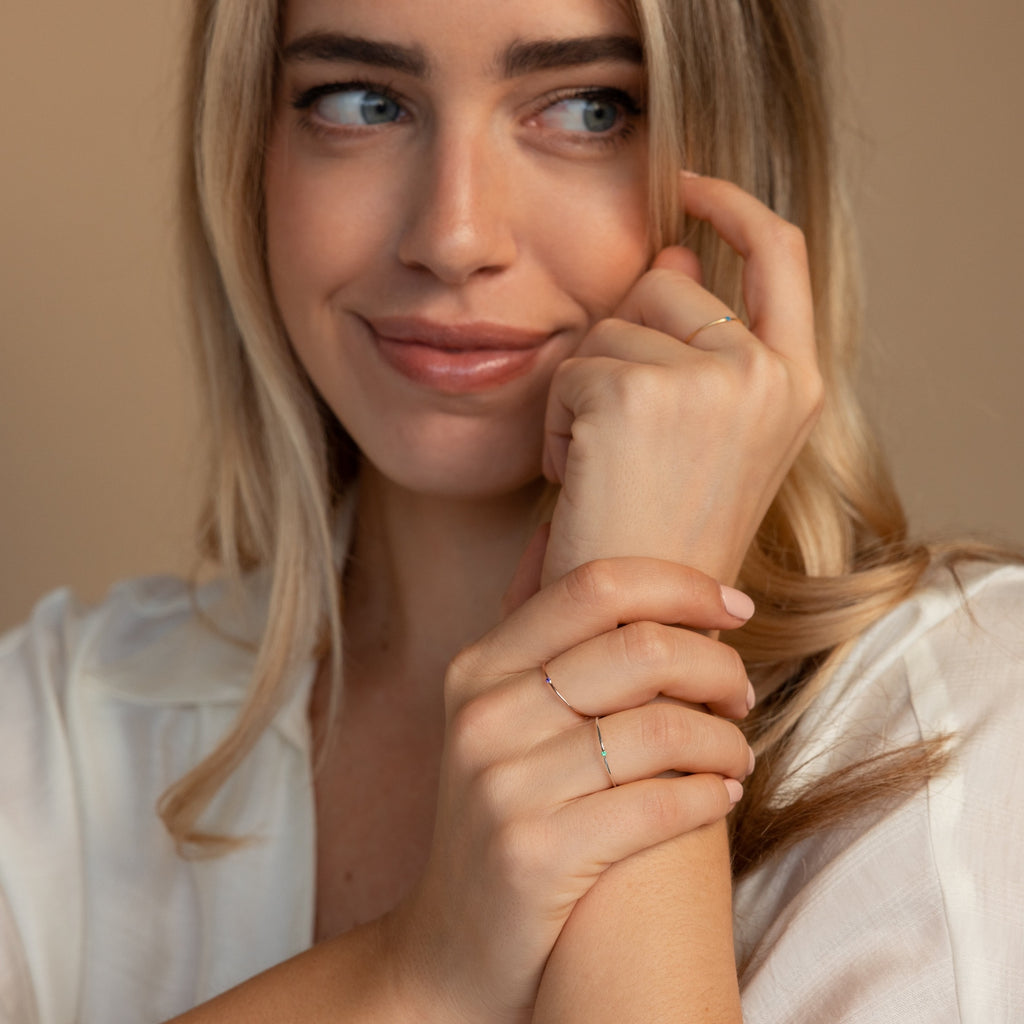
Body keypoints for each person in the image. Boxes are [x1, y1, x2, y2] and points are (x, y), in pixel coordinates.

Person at [2, 0, 1022, 1020]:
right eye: (361, 102)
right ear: (249, 157)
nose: (453, 236)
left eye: (588, 109)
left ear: (746, 151)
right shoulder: (56, 730)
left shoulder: (964, 730)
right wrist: (417, 969)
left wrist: (636, 627)